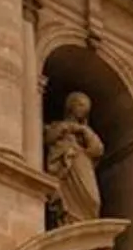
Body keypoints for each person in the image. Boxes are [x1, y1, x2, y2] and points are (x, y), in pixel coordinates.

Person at [45, 91, 107, 223]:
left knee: (93, 201)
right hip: (66, 166)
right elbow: (49, 137)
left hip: (83, 164)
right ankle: (68, 220)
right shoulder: (58, 126)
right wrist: (67, 128)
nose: (83, 109)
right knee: (67, 198)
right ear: (71, 106)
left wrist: (84, 131)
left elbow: (98, 150)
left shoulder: (86, 131)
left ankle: (86, 222)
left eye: (86, 107)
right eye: (80, 105)